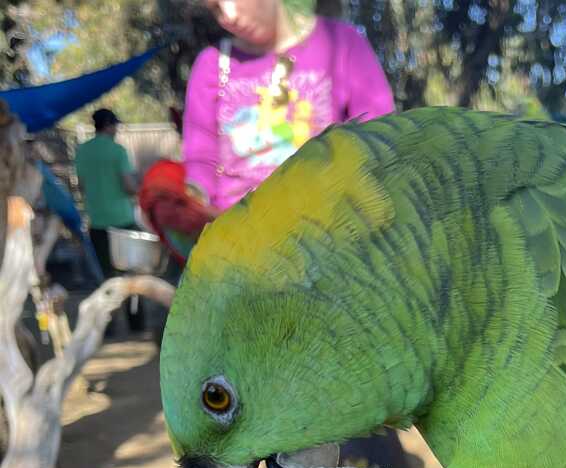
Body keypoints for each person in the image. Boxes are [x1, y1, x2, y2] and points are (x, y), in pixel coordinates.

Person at [182, 0, 395, 213]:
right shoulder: (211, 65)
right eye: (216, 8)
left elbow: (378, 138)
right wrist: (190, 202)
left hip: (327, 225)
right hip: (238, 234)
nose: (229, 15)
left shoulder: (343, 44)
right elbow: (200, 162)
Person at [74, 107, 144, 331]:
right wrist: (139, 189)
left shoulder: (82, 151)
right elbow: (128, 185)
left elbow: (82, 185)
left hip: (98, 222)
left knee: (107, 277)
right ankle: (136, 324)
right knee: (131, 274)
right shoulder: (118, 151)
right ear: (110, 126)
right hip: (122, 221)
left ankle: (109, 326)